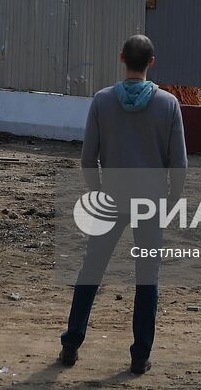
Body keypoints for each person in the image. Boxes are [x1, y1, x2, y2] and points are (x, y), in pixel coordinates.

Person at [59, 34, 186, 375]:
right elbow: (180, 163)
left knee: (91, 271)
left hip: (112, 197)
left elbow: (88, 158)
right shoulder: (168, 104)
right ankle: (139, 355)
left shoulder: (102, 102)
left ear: (121, 58)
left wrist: (98, 190)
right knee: (147, 278)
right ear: (152, 62)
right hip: (151, 201)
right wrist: (171, 198)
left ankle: (71, 343)